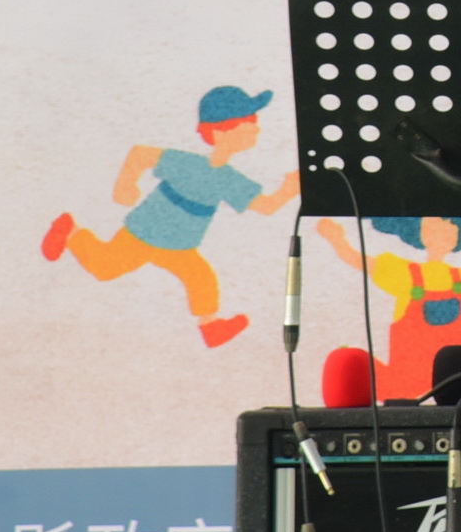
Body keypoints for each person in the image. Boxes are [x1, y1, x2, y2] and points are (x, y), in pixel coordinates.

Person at [42, 85, 300, 347]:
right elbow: (140, 154)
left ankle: (210, 327)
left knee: (201, 278)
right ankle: (70, 231)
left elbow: (266, 206)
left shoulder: (229, 179)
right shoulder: (189, 163)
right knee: (105, 268)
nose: (256, 129)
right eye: (248, 123)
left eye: (254, 122)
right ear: (221, 130)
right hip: (144, 233)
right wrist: (126, 184)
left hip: (179, 246)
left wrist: (290, 189)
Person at [312, 214, 461, 400]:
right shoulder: (403, 273)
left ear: (460, 235)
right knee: (349, 365)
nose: (440, 234)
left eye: (448, 229)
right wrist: (337, 239)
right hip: (411, 371)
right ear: (419, 232)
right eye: (431, 228)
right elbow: (360, 261)